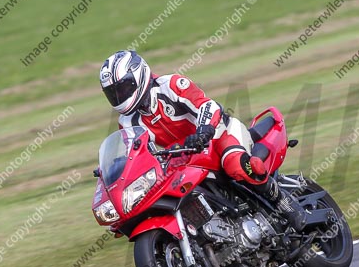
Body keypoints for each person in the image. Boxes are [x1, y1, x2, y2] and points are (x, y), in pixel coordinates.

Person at [99, 50, 305, 230]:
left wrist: (204, 131)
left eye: (122, 89)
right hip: (182, 155)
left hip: (219, 134)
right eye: (113, 93)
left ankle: (284, 203)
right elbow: (135, 152)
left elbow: (208, 106)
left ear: (138, 75)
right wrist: (116, 168)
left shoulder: (170, 85)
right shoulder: (127, 121)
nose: (119, 96)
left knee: (236, 164)